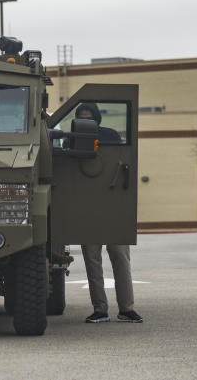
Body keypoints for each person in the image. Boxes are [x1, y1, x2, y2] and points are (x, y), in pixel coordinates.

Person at [74, 103, 143, 324]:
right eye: (82, 119)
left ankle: (127, 308)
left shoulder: (111, 137)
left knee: (120, 257)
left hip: (112, 207)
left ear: (97, 119)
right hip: (87, 208)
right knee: (92, 260)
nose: (86, 122)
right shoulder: (73, 143)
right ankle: (100, 309)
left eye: (89, 118)